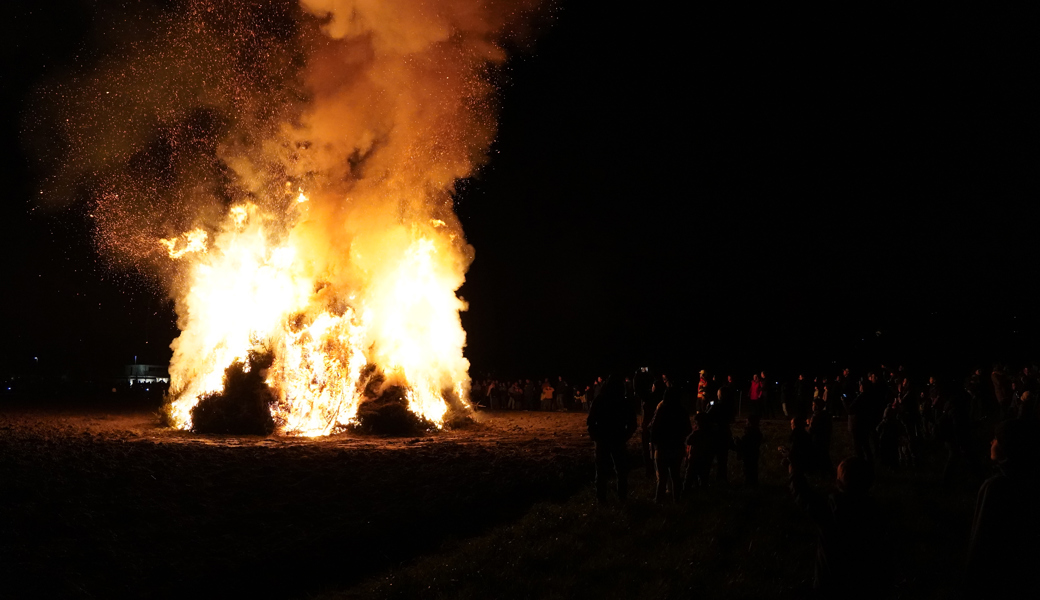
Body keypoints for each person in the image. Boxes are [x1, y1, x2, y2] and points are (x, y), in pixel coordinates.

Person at [964, 417, 1040, 597]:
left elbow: (980, 539)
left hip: (995, 575)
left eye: (996, 438)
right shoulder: (1029, 481)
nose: (991, 441)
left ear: (1008, 447)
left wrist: (970, 580)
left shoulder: (995, 488)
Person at [788, 456, 884, 598]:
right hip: (863, 584)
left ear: (838, 483)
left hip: (830, 582)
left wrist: (794, 473)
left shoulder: (832, 510)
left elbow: (804, 496)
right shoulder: (873, 512)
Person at [587, 375, 637, 504]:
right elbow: (632, 423)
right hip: (617, 439)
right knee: (621, 470)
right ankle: (622, 498)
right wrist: (625, 436)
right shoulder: (623, 401)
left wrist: (595, 436)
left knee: (602, 471)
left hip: (604, 439)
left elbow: (591, 422)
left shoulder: (600, 400)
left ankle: (601, 499)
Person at [649, 385, 692, 503]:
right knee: (675, 476)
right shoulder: (682, 411)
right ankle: (676, 499)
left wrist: (654, 443)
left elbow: (653, 428)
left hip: (662, 448)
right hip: (676, 447)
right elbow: (688, 429)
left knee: (662, 478)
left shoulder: (661, 410)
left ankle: (659, 501)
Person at [685, 412, 715, 492]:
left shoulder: (697, 433)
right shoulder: (711, 433)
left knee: (689, 477)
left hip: (695, 458)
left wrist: (693, 431)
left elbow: (688, 441)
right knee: (704, 476)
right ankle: (702, 492)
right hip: (706, 458)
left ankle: (686, 492)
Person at [735, 416, 763, 486]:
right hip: (754, 453)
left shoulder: (750, 432)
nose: (746, 423)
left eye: (747, 422)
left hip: (748, 454)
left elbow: (746, 443)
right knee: (753, 468)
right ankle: (753, 482)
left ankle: (749, 483)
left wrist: (738, 442)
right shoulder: (757, 432)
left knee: (748, 469)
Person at [809, 399, 834, 477]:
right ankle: (829, 470)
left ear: (816, 406)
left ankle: (821, 472)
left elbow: (811, 430)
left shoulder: (816, 416)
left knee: (818, 455)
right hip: (826, 438)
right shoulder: (826, 415)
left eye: (813, 404)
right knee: (824, 454)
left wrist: (809, 425)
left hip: (817, 439)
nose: (812, 406)